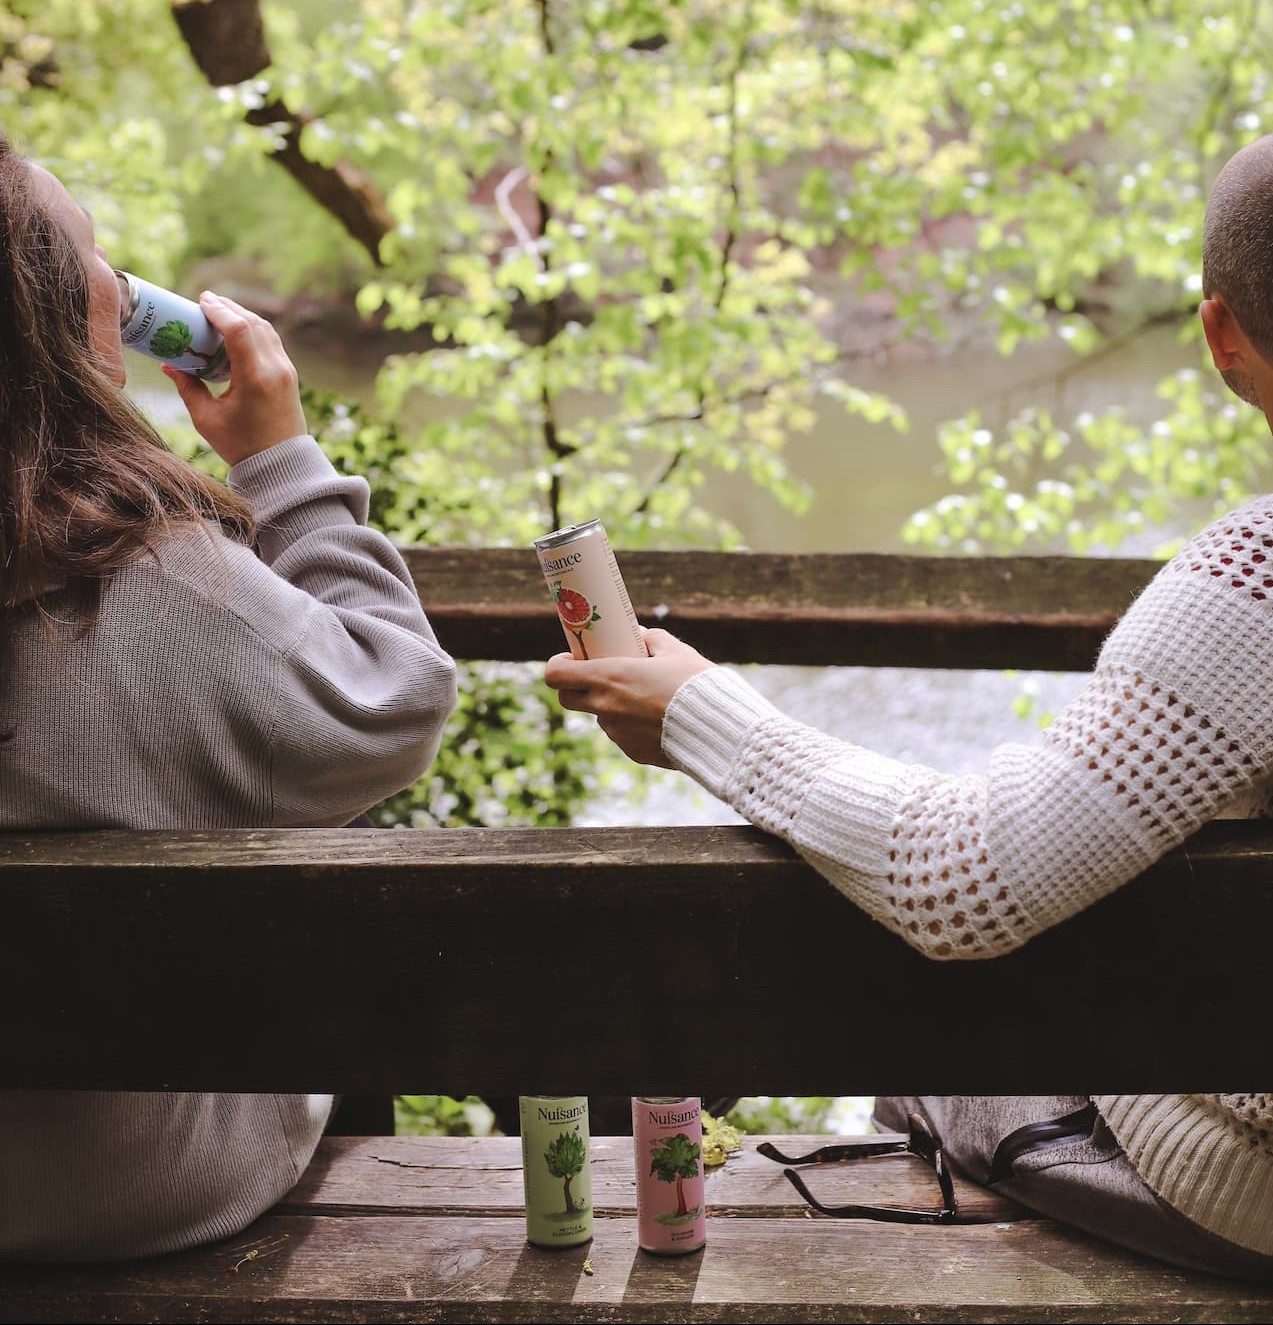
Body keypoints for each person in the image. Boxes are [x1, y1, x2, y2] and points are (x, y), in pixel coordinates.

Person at [542, 133, 1273, 1279]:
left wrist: (694, 710)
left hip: (1247, 1196)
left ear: (1221, 338)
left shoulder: (1253, 587)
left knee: (943, 1014)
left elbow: (960, 880)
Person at [0, 132, 459, 1261]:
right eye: (93, 255)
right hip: (120, 1195)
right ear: (67, 326)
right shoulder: (142, 582)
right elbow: (392, 705)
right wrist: (286, 462)